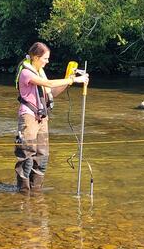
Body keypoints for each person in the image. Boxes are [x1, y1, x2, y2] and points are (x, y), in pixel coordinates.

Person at [14, 42, 89, 192]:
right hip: (28, 116)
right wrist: (73, 80)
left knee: (42, 157)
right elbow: (48, 83)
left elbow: (51, 91)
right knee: (27, 156)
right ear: (36, 57)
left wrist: (69, 80)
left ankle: (35, 193)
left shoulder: (39, 70)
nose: (48, 62)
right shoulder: (26, 73)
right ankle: (22, 194)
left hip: (42, 117)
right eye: (45, 58)